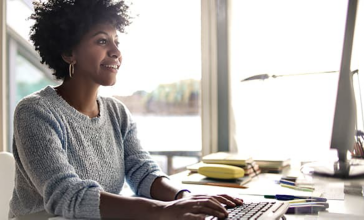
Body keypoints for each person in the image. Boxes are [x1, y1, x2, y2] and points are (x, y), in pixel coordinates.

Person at [9, 0, 243, 219]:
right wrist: (164, 210)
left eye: (116, 42)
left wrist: (186, 198)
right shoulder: (35, 111)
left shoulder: (116, 112)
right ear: (69, 53)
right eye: (102, 41)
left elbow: (143, 172)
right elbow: (67, 195)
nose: (116, 52)